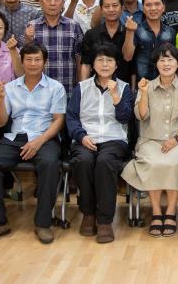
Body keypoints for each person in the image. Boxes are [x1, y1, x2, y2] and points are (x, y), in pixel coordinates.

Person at [0, 43, 67, 245]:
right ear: (22, 62)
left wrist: (38, 142)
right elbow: (0, 122)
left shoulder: (55, 87)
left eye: (37, 60)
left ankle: (43, 223)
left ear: (44, 62)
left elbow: (58, 121)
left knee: (50, 164)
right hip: (15, 137)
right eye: (29, 59)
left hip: (44, 137)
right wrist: (0, 99)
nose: (33, 64)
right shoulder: (10, 87)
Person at [121, 43, 178, 237]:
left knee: (172, 163)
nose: (166, 64)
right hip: (149, 140)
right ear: (156, 64)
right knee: (153, 162)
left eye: (170, 59)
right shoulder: (146, 87)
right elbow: (141, 116)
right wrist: (143, 93)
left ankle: (171, 211)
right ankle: (156, 212)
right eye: (161, 60)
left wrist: (176, 139)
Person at [67, 45, 134, 243]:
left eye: (109, 60)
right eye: (100, 60)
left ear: (116, 65)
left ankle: (104, 221)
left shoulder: (124, 88)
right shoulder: (81, 87)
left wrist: (116, 97)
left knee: (105, 162)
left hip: (114, 139)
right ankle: (88, 214)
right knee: (83, 161)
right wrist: (81, 136)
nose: (105, 64)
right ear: (93, 65)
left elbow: (125, 118)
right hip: (86, 137)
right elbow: (71, 117)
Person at [25, 0, 84, 95]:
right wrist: (28, 40)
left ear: (62, 2)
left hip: (68, 89)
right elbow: (26, 59)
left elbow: (79, 59)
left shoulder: (73, 26)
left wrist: (81, 87)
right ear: (40, 2)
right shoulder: (32, 26)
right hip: (39, 91)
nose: (52, 3)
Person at [122, 0, 176, 83]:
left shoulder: (171, 32)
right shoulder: (135, 29)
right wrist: (130, 32)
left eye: (157, 4)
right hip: (143, 85)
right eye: (148, 5)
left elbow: (175, 60)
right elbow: (127, 57)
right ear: (143, 8)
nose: (153, 8)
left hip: (167, 84)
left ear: (163, 7)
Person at [80, 0, 132, 83]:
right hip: (96, 86)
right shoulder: (91, 34)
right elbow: (86, 64)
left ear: (122, 8)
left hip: (123, 86)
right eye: (106, 6)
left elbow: (132, 65)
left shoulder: (129, 32)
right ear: (101, 10)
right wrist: (83, 87)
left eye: (115, 6)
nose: (111, 9)